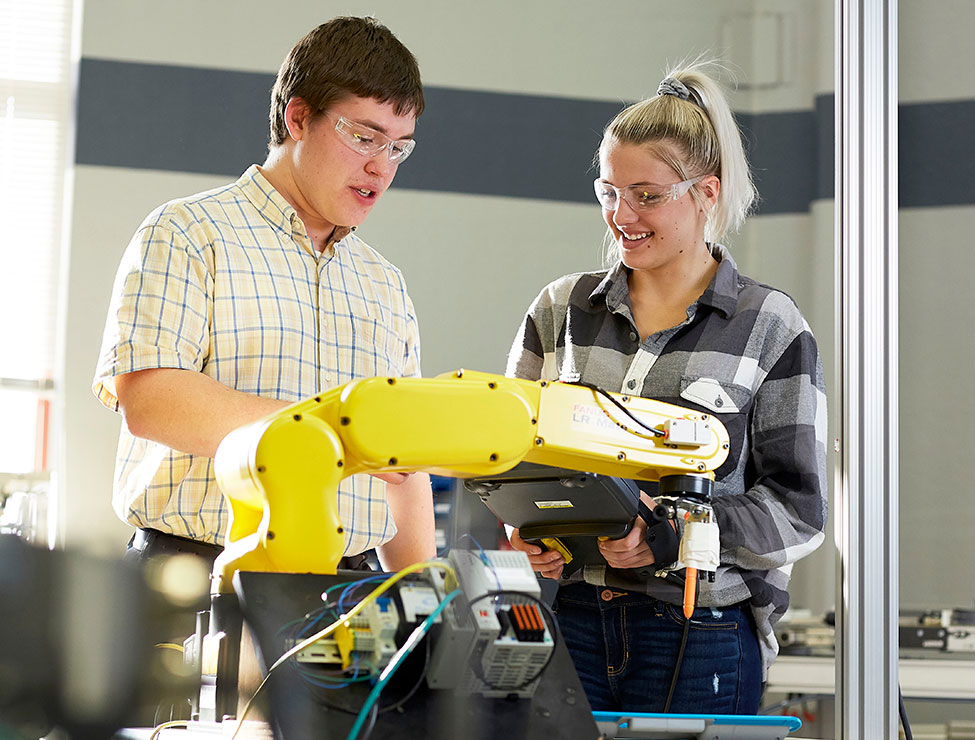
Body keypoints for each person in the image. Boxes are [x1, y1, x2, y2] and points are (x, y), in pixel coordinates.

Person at [505, 61, 827, 715]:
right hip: (565, 622)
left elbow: (797, 514)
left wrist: (675, 533)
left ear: (705, 193)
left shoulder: (768, 324)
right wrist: (524, 533)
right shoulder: (558, 310)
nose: (619, 214)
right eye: (608, 191)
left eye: (646, 196)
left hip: (700, 634)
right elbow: (507, 455)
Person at [92, 17, 435, 581]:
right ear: (298, 118)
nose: (382, 166)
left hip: (347, 590)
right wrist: (338, 432)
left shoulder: (384, 284)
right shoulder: (188, 232)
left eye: (399, 147)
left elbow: (403, 465)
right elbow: (151, 401)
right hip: (195, 575)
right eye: (364, 137)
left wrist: (429, 604)